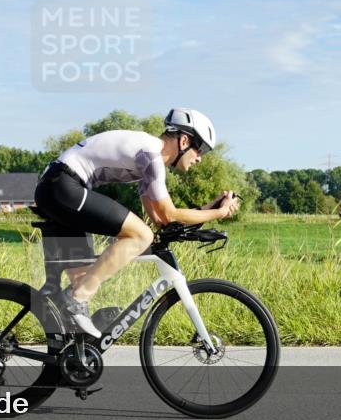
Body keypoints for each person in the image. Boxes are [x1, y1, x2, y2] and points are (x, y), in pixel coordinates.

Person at [34, 108, 241, 337]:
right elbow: (169, 214)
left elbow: (161, 219)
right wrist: (218, 214)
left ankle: (69, 356)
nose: (200, 158)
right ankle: (75, 300)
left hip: (60, 190)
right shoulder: (150, 154)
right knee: (140, 236)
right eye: (200, 149)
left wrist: (209, 208)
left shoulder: (147, 164)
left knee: (83, 281)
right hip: (63, 187)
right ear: (184, 140)